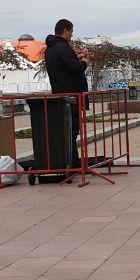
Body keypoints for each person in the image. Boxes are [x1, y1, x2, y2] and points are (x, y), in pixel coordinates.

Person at [44, 18, 88, 168]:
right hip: (71, 97)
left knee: (66, 132)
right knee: (72, 132)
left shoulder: (50, 49)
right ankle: (73, 163)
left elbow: (64, 67)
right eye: (71, 32)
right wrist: (85, 62)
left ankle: (71, 162)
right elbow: (75, 68)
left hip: (59, 95)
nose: (72, 35)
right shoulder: (63, 47)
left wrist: (76, 58)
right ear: (65, 31)